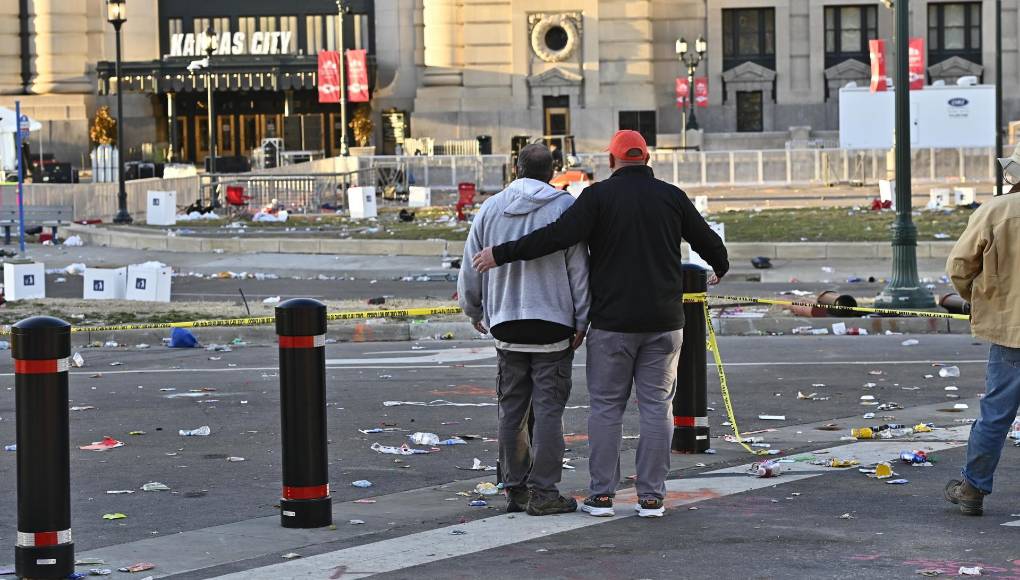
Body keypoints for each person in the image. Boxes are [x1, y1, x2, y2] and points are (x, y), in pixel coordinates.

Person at [473, 130, 728, 518]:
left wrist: (501, 254)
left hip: (612, 325)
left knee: (607, 408)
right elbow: (708, 241)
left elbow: (555, 238)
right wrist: (720, 267)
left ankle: (603, 495)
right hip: (664, 323)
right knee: (658, 407)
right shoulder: (672, 197)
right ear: (647, 159)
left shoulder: (597, 197)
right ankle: (651, 497)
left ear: (611, 162)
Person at [458, 143, 590, 516]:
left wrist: (474, 308)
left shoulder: (491, 207)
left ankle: (515, 489)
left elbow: (471, 265)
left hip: (506, 323)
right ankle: (544, 493)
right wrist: (582, 319)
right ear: (553, 172)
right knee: (549, 411)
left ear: (515, 168)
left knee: (511, 410)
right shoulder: (564, 208)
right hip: (553, 323)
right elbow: (578, 270)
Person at [944, 144, 1020, 516]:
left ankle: (973, 489)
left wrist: (976, 297)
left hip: (1011, 331)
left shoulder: (994, 211)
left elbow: (959, 267)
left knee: (996, 415)